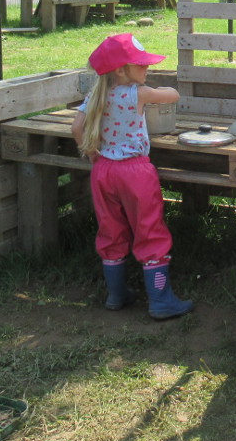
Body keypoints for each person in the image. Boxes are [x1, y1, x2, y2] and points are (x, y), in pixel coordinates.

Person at [71, 33, 193, 319]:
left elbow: (77, 128)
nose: (147, 68)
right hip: (135, 171)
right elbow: (173, 95)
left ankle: (116, 294)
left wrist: (92, 155)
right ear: (120, 70)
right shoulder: (139, 93)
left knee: (110, 230)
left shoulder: (95, 95)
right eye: (141, 64)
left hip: (104, 170)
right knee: (149, 229)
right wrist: (157, 88)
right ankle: (161, 300)